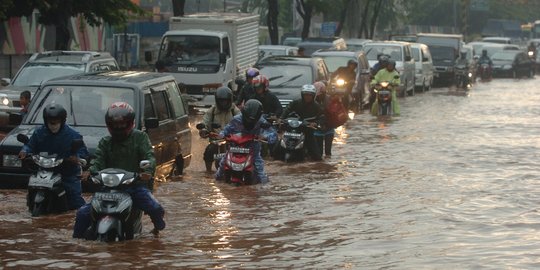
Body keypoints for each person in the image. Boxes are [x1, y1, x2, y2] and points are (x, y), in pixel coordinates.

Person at [73, 102, 166, 238]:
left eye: (122, 124)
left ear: (130, 123)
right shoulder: (105, 142)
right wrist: (90, 172)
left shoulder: (140, 138)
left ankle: (157, 231)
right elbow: (98, 160)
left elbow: (149, 156)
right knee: (82, 214)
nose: (118, 127)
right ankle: (75, 243)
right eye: (115, 125)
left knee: (155, 208)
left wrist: (147, 172)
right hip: (107, 188)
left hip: (134, 186)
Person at [18, 103, 88, 210]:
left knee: (75, 202)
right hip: (43, 170)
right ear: (46, 121)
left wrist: (77, 158)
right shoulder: (39, 132)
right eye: (50, 122)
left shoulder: (73, 135)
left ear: (62, 120)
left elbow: (82, 152)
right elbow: (30, 145)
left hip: (67, 172)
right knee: (30, 189)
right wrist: (24, 151)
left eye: (56, 122)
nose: (53, 124)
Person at [215, 99, 277, 184]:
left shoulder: (261, 121)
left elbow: (273, 134)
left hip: (253, 150)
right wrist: (221, 134)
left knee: (261, 175)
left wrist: (265, 136)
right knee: (222, 166)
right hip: (234, 149)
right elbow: (227, 129)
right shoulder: (236, 119)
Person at [280, 84, 325, 161]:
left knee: (317, 156)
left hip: (307, 131)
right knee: (277, 148)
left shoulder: (317, 106)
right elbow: (287, 110)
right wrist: (281, 119)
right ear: (302, 95)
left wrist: (315, 123)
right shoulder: (296, 103)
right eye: (305, 95)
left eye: (310, 95)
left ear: (313, 96)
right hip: (293, 130)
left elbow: (322, 118)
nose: (307, 97)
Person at [201, 87, 241, 171]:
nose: (223, 103)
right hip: (216, 141)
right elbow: (205, 122)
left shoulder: (235, 111)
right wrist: (203, 129)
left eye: (225, 100)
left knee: (242, 154)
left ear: (229, 100)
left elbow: (241, 123)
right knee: (209, 151)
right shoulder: (211, 111)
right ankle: (208, 172)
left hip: (232, 141)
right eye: (221, 101)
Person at [313, 81, 335, 158]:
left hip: (329, 129)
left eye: (323, 93)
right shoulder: (312, 102)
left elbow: (333, 113)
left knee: (328, 152)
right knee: (319, 152)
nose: (322, 95)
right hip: (317, 130)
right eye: (321, 93)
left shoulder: (329, 99)